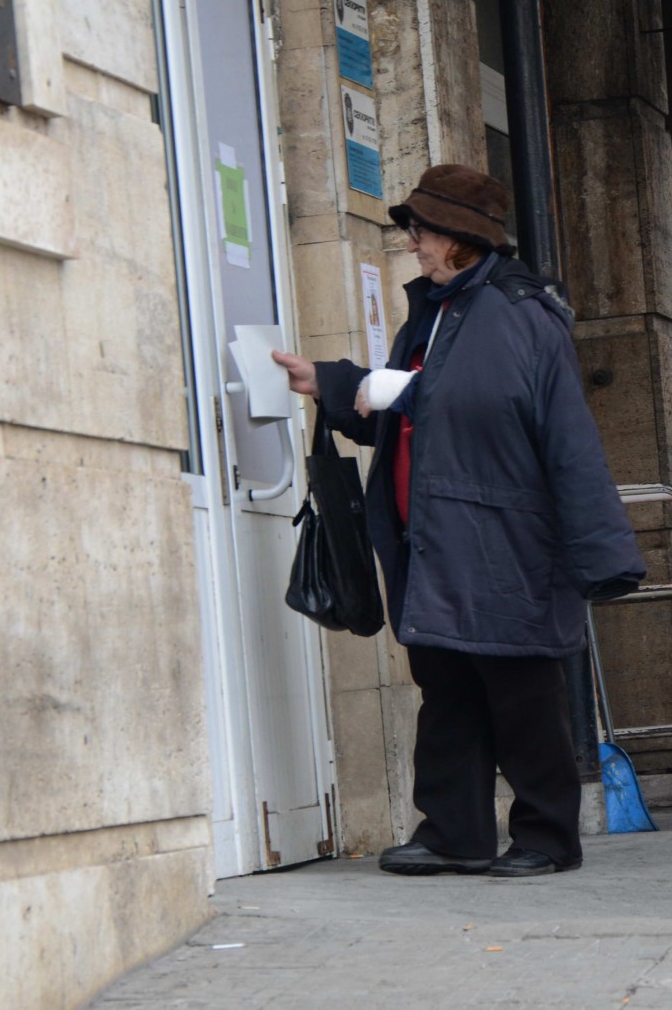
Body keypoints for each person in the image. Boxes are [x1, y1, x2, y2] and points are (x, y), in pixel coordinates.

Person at [271, 164, 646, 877]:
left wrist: (604, 553)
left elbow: (568, 440)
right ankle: (453, 831)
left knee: (522, 696)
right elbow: (414, 410)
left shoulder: (523, 316)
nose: (412, 242)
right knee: (446, 689)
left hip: (506, 545)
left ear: (461, 240)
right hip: (433, 540)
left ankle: (545, 838)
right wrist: (333, 385)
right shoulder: (435, 314)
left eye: (423, 230)